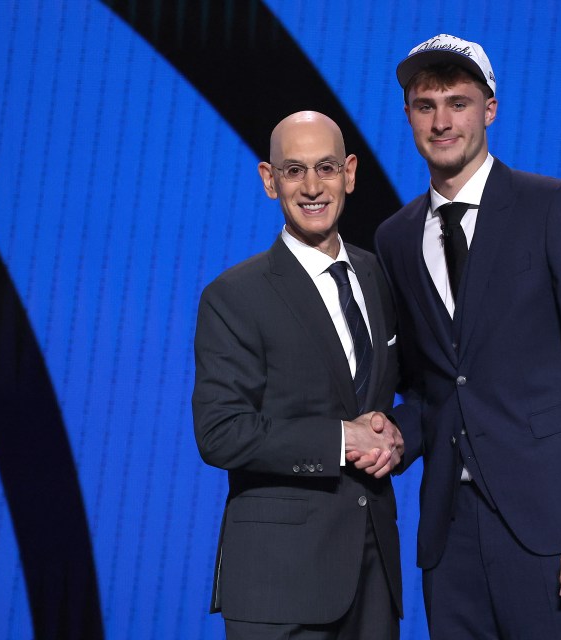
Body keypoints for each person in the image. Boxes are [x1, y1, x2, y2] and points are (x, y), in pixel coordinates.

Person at [374, 34, 561, 638]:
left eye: (458, 103)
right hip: (451, 536)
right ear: (409, 114)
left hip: (553, 529)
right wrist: (390, 436)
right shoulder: (395, 237)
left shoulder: (557, 208)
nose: (442, 121)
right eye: (425, 104)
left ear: (490, 109)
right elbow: (431, 387)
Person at [192, 111, 404, 640]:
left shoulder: (376, 275)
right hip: (278, 584)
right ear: (270, 180)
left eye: (326, 168)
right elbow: (220, 433)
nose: (313, 187)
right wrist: (340, 439)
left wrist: (397, 436)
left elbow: (404, 391)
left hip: (373, 576)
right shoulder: (235, 296)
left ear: (350, 173)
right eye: (294, 171)